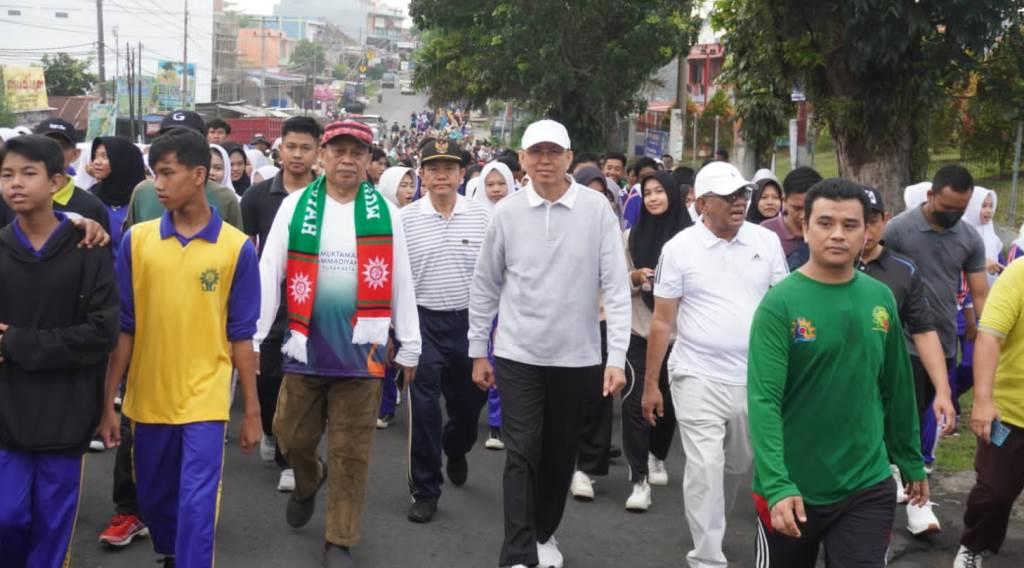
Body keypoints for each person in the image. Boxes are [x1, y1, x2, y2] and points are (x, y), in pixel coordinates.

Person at [255, 119, 420, 567]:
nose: (347, 159)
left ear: (369, 161)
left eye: (357, 153)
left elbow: (401, 279)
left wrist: (410, 342)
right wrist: (254, 332)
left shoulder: (385, 212)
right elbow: (271, 271)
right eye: (339, 151)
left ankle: (339, 538)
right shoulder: (296, 207)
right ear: (322, 157)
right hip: (305, 345)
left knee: (351, 451)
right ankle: (309, 480)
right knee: (290, 434)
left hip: (362, 353)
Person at [96, 127, 262, 567]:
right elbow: (125, 327)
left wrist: (253, 411)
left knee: (196, 505)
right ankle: (171, 553)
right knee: (156, 500)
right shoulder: (138, 241)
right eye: (155, 174)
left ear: (200, 174)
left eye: (168, 173)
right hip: (148, 399)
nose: (159, 185)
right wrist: (109, 401)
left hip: (206, 399)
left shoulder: (235, 249)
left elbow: (242, 336)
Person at [469, 119, 630, 568]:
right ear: (521, 159)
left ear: (569, 157)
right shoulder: (507, 212)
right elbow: (485, 285)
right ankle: (518, 551)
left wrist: (614, 357)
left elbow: (616, 287)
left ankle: (543, 533)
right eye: (535, 152)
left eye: (553, 152)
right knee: (521, 451)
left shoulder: (596, 209)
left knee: (559, 454)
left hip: (577, 357)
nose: (544, 160)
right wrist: (477, 350)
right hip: (518, 353)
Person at [748, 178, 928, 567]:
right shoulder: (779, 305)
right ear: (805, 227)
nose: (837, 235)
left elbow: (896, 386)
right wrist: (778, 484)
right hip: (792, 488)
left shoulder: (879, 298)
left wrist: (909, 459)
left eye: (850, 225)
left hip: (866, 482)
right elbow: (763, 401)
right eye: (825, 223)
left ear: (867, 231)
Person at [642, 161, 787, 567]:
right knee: (705, 466)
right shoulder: (679, 248)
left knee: (737, 462)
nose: (740, 202)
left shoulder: (766, 242)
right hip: (695, 373)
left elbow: (783, 308)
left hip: (753, 377)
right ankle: (707, 556)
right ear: (702, 203)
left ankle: (712, 520)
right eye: (728, 197)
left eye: (743, 194)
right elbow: (662, 320)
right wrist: (651, 385)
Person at [0, 135, 119, 566]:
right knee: (7, 518)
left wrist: (15, 342)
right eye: (7, 174)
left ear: (56, 181)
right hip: (7, 410)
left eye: (28, 174)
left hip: (67, 410)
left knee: (53, 524)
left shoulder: (89, 247)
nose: (15, 184)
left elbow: (102, 333)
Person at [857, 186, 957, 535]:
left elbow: (924, 331)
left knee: (906, 437)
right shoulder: (827, 266)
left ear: (885, 220)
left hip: (892, 375)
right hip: (841, 380)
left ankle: (917, 505)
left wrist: (943, 389)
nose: (866, 233)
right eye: (859, 223)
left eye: (873, 222)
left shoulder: (903, 270)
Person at [403, 138, 491, 524]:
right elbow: (395, 282)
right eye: (433, 168)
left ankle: (456, 449)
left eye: (449, 168)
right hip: (421, 323)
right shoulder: (404, 219)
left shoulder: (483, 217)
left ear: (461, 174)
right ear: (421, 174)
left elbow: (493, 278)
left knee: (468, 409)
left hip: (468, 325)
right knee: (423, 410)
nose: (441, 175)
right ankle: (425, 488)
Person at [884, 166, 988, 481]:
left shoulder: (969, 237)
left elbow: (980, 292)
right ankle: (896, 475)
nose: (953, 215)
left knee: (933, 408)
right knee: (905, 414)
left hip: (943, 341)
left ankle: (908, 472)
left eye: (960, 209)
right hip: (902, 341)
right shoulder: (898, 230)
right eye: (946, 208)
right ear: (931, 196)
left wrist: (988, 332)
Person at [240, 116, 323, 493]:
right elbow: (246, 250)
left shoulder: (326, 196)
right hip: (269, 304)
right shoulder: (257, 197)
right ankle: (274, 432)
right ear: (280, 148)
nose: (297, 154)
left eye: (306, 148)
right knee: (270, 376)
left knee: (304, 383)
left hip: (313, 306)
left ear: (317, 151)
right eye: (291, 146)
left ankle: (292, 458)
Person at [620, 171, 692, 512]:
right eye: (647, 192)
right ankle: (638, 480)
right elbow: (613, 282)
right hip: (639, 330)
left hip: (679, 335)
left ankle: (657, 455)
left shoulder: (693, 240)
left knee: (668, 404)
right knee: (634, 402)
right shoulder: (630, 237)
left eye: (659, 191)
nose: (652, 198)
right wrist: (635, 277)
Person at [953, 252, 1024, 567]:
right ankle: (973, 546)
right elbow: (990, 336)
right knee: (994, 492)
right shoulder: (1018, 275)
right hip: (1009, 411)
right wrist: (982, 400)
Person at [125, 111, 243, 230]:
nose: (176, 145)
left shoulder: (225, 198)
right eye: (168, 137)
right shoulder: (143, 192)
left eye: (187, 139)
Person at [0, 120, 110, 233]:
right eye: (43, 146)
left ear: (75, 154)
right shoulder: (9, 200)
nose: (52, 152)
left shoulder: (92, 206)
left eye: (61, 146)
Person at [374, 165, 420, 430]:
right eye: (402, 185)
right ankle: (386, 406)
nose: (409, 191)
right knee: (386, 354)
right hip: (384, 293)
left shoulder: (416, 217)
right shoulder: (378, 217)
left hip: (413, 294)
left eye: (410, 185)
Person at [89, 136, 148, 260]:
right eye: (95, 156)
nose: (96, 162)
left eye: (104, 157)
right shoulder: (90, 196)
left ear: (122, 161)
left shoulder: (142, 200)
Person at [761, 166, 821, 260]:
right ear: (784, 201)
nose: (803, 215)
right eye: (797, 208)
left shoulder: (828, 231)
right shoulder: (766, 232)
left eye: (809, 208)